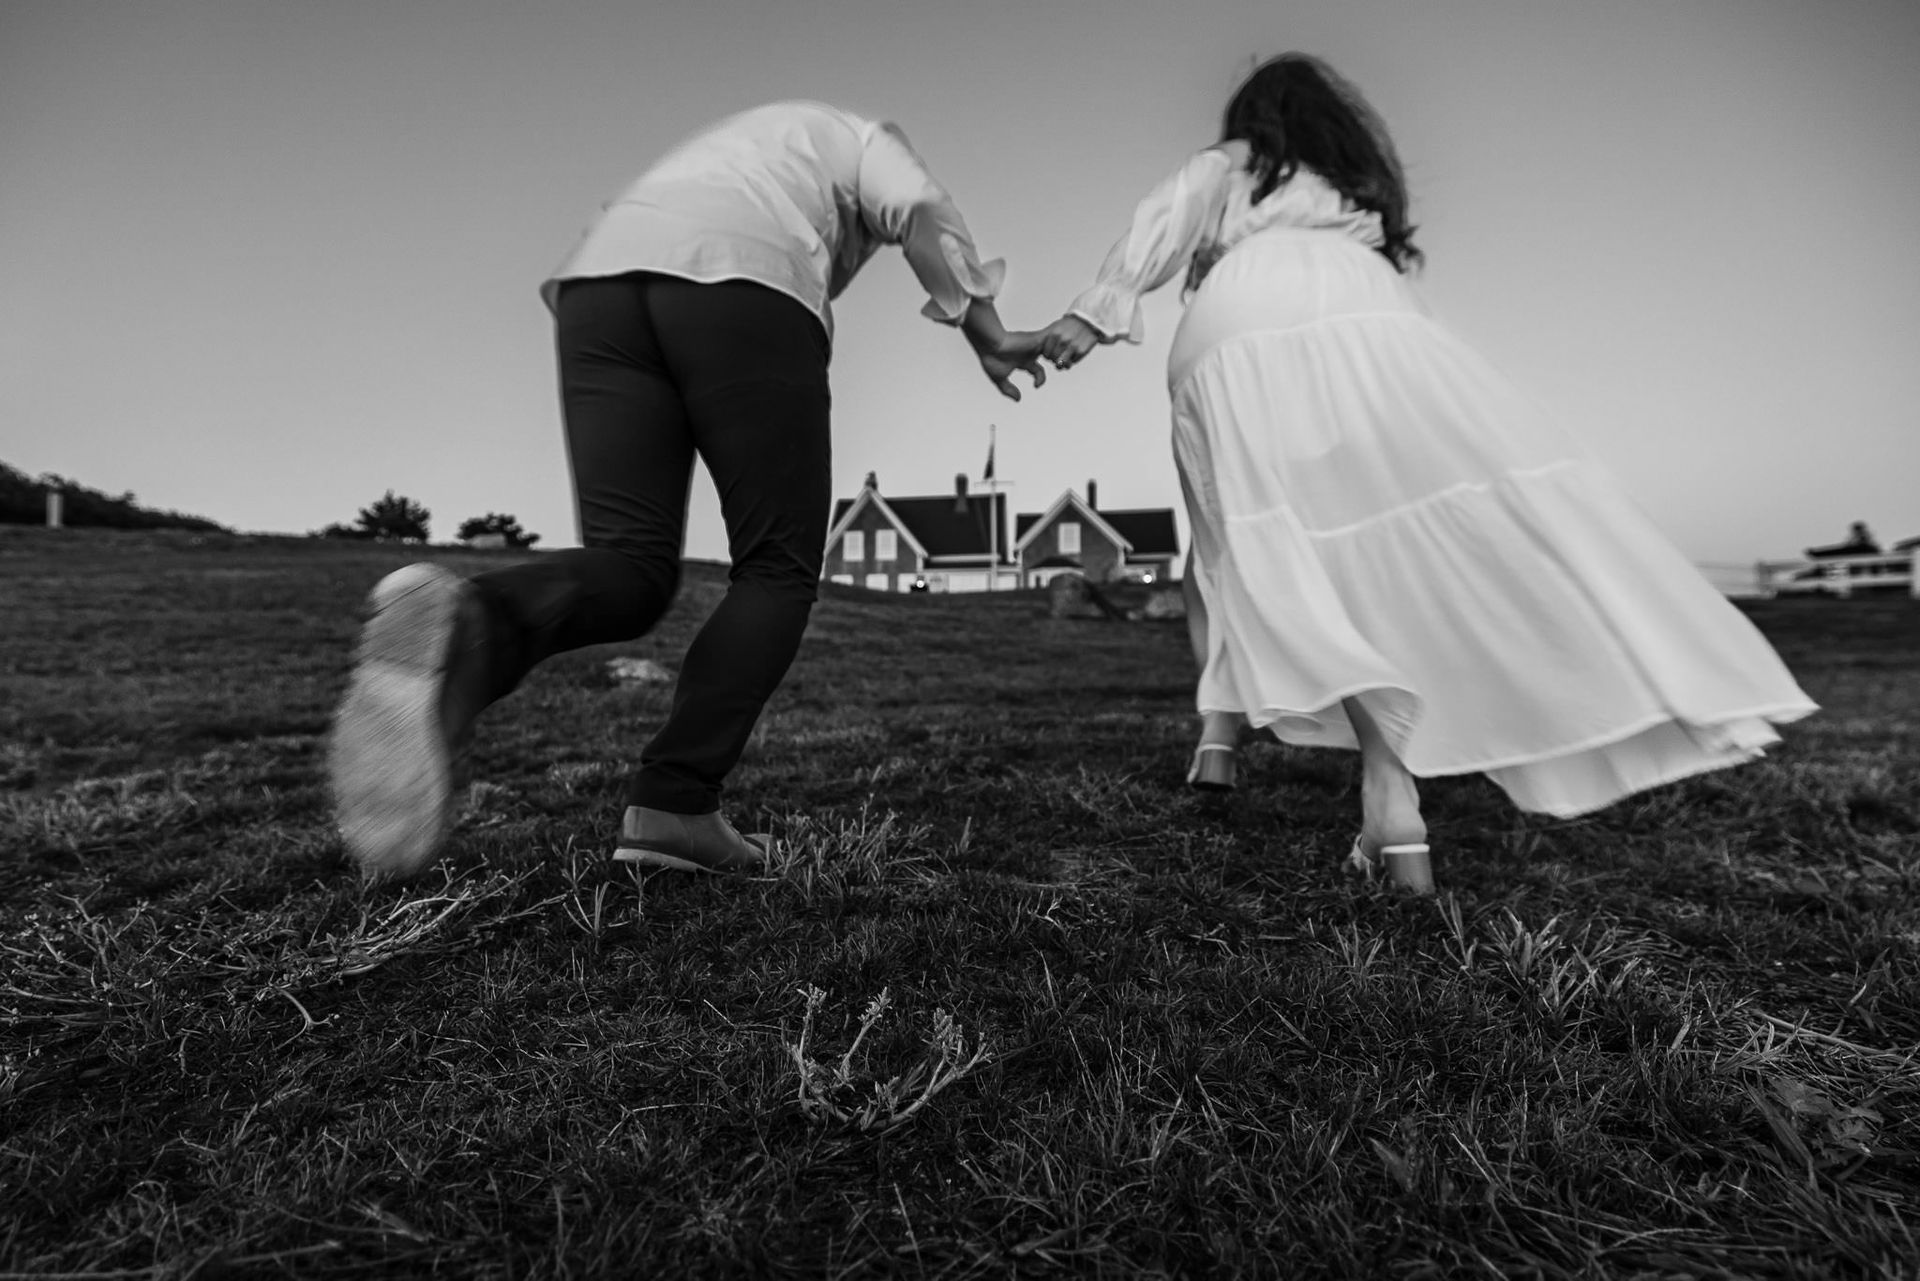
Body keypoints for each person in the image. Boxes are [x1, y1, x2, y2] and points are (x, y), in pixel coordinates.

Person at [1037, 54, 1817, 891]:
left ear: (1255, 118)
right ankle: (1389, 793)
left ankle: (1219, 738)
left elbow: (1176, 204)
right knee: (1360, 548)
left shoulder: (1238, 163)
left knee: (1233, 546)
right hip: (1371, 320)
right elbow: (1401, 302)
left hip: (1238, 327)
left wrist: (1099, 305)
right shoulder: (1355, 197)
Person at [329, 100, 1047, 881]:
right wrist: (988, 331)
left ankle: (471, 624)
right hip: (742, 281)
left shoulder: (735, 144)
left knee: (631, 566)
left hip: (598, 286)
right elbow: (912, 202)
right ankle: (674, 801)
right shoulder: (859, 134)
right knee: (777, 563)